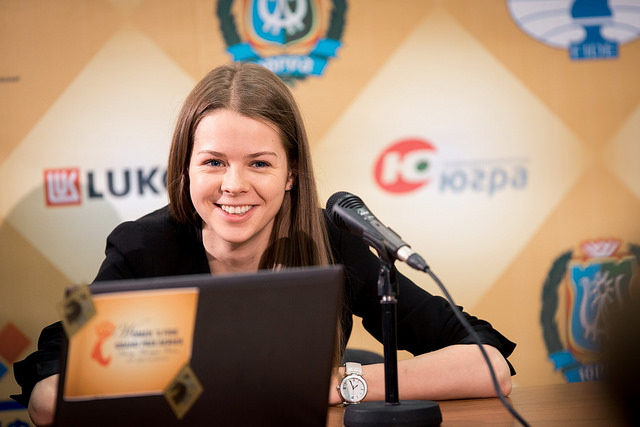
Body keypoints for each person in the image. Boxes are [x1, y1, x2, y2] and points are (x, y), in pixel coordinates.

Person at [12, 62, 516, 426]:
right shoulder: (142, 248)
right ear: (185, 169)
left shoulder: (333, 241)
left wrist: (345, 383)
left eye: (259, 163)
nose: (234, 185)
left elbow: (490, 364)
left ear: (291, 173)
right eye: (213, 162)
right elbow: (48, 398)